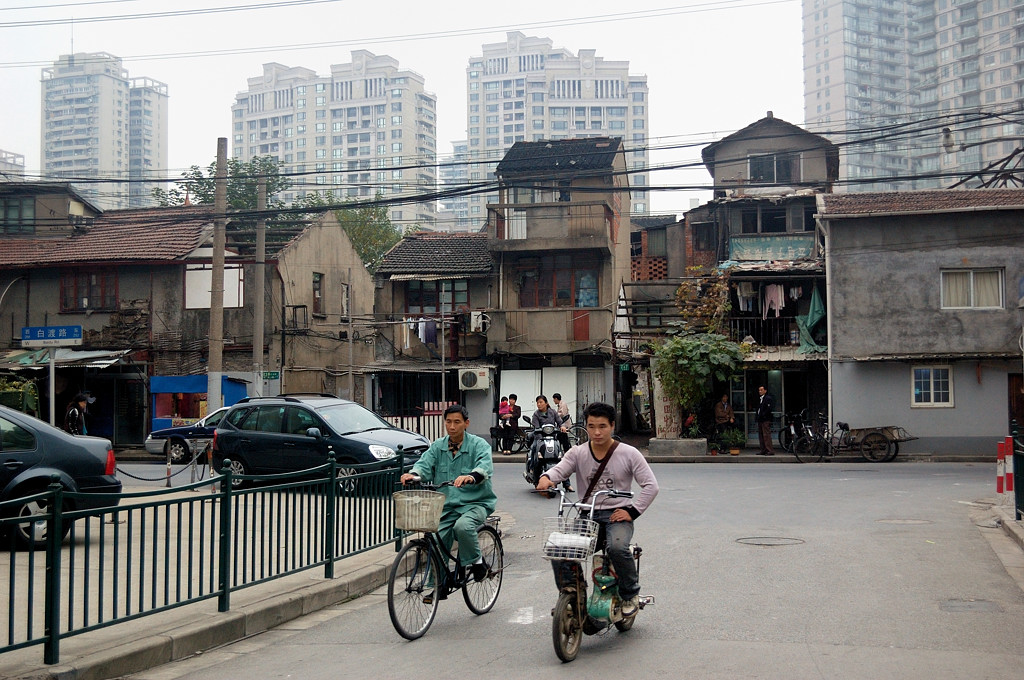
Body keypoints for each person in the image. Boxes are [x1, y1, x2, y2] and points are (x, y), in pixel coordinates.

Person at [537, 402, 659, 617]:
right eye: (591, 426)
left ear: (612, 426)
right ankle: (572, 592)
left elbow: (651, 486)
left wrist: (632, 512)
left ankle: (630, 594)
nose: (596, 432)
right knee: (560, 548)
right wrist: (546, 478)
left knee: (617, 548)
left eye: (602, 426)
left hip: (617, 516)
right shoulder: (577, 453)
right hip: (588, 515)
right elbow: (560, 470)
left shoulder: (629, 454)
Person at [400, 404, 496, 586]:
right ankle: (438, 585)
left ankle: (477, 563)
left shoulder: (479, 445)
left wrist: (471, 476)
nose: (452, 426)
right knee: (435, 540)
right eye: (448, 422)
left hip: (475, 503)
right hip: (446, 506)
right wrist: (413, 474)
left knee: (463, 527)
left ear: (466, 423)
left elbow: (484, 467)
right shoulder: (438, 446)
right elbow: (424, 465)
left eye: (457, 422)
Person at [528, 395, 572, 490]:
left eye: (541, 402)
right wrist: (539, 436)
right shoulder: (536, 414)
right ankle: (532, 470)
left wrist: (563, 427)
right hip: (540, 439)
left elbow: (560, 422)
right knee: (535, 450)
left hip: (553, 438)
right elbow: (535, 427)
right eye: (537, 403)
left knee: (561, 457)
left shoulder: (552, 412)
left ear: (546, 403)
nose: (539, 404)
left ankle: (567, 484)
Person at [756, 385, 775, 456]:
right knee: (761, 435)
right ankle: (763, 449)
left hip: (765, 419)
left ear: (765, 391)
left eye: (761, 390)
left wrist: (763, 415)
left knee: (766, 435)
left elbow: (769, 409)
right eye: (759, 390)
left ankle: (769, 450)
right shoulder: (760, 399)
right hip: (760, 419)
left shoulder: (768, 398)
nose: (760, 391)